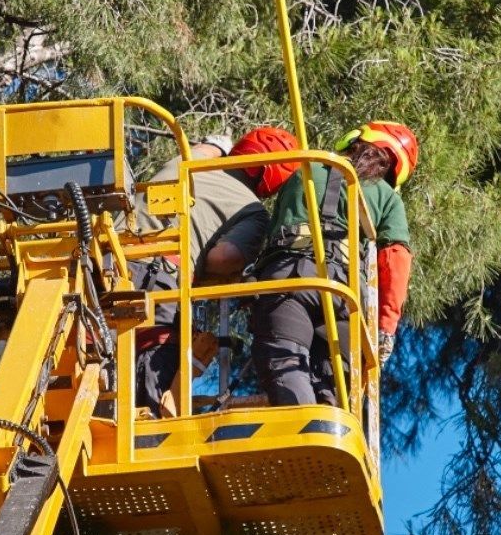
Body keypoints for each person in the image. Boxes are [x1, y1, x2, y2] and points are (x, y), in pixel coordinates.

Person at [250, 121, 418, 407]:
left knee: (285, 363)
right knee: (333, 383)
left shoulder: (305, 169)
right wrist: (386, 328)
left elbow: (271, 230)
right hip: (345, 296)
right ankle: (325, 433)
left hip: (289, 280)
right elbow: (395, 260)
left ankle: (304, 429)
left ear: (353, 139)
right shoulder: (388, 198)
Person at [132, 126, 296, 415]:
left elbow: (201, 150)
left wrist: (216, 147)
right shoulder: (252, 210)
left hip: (99, 262)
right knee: (155, 357)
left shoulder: (184, 162)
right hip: (157, 278)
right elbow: (224, 257)